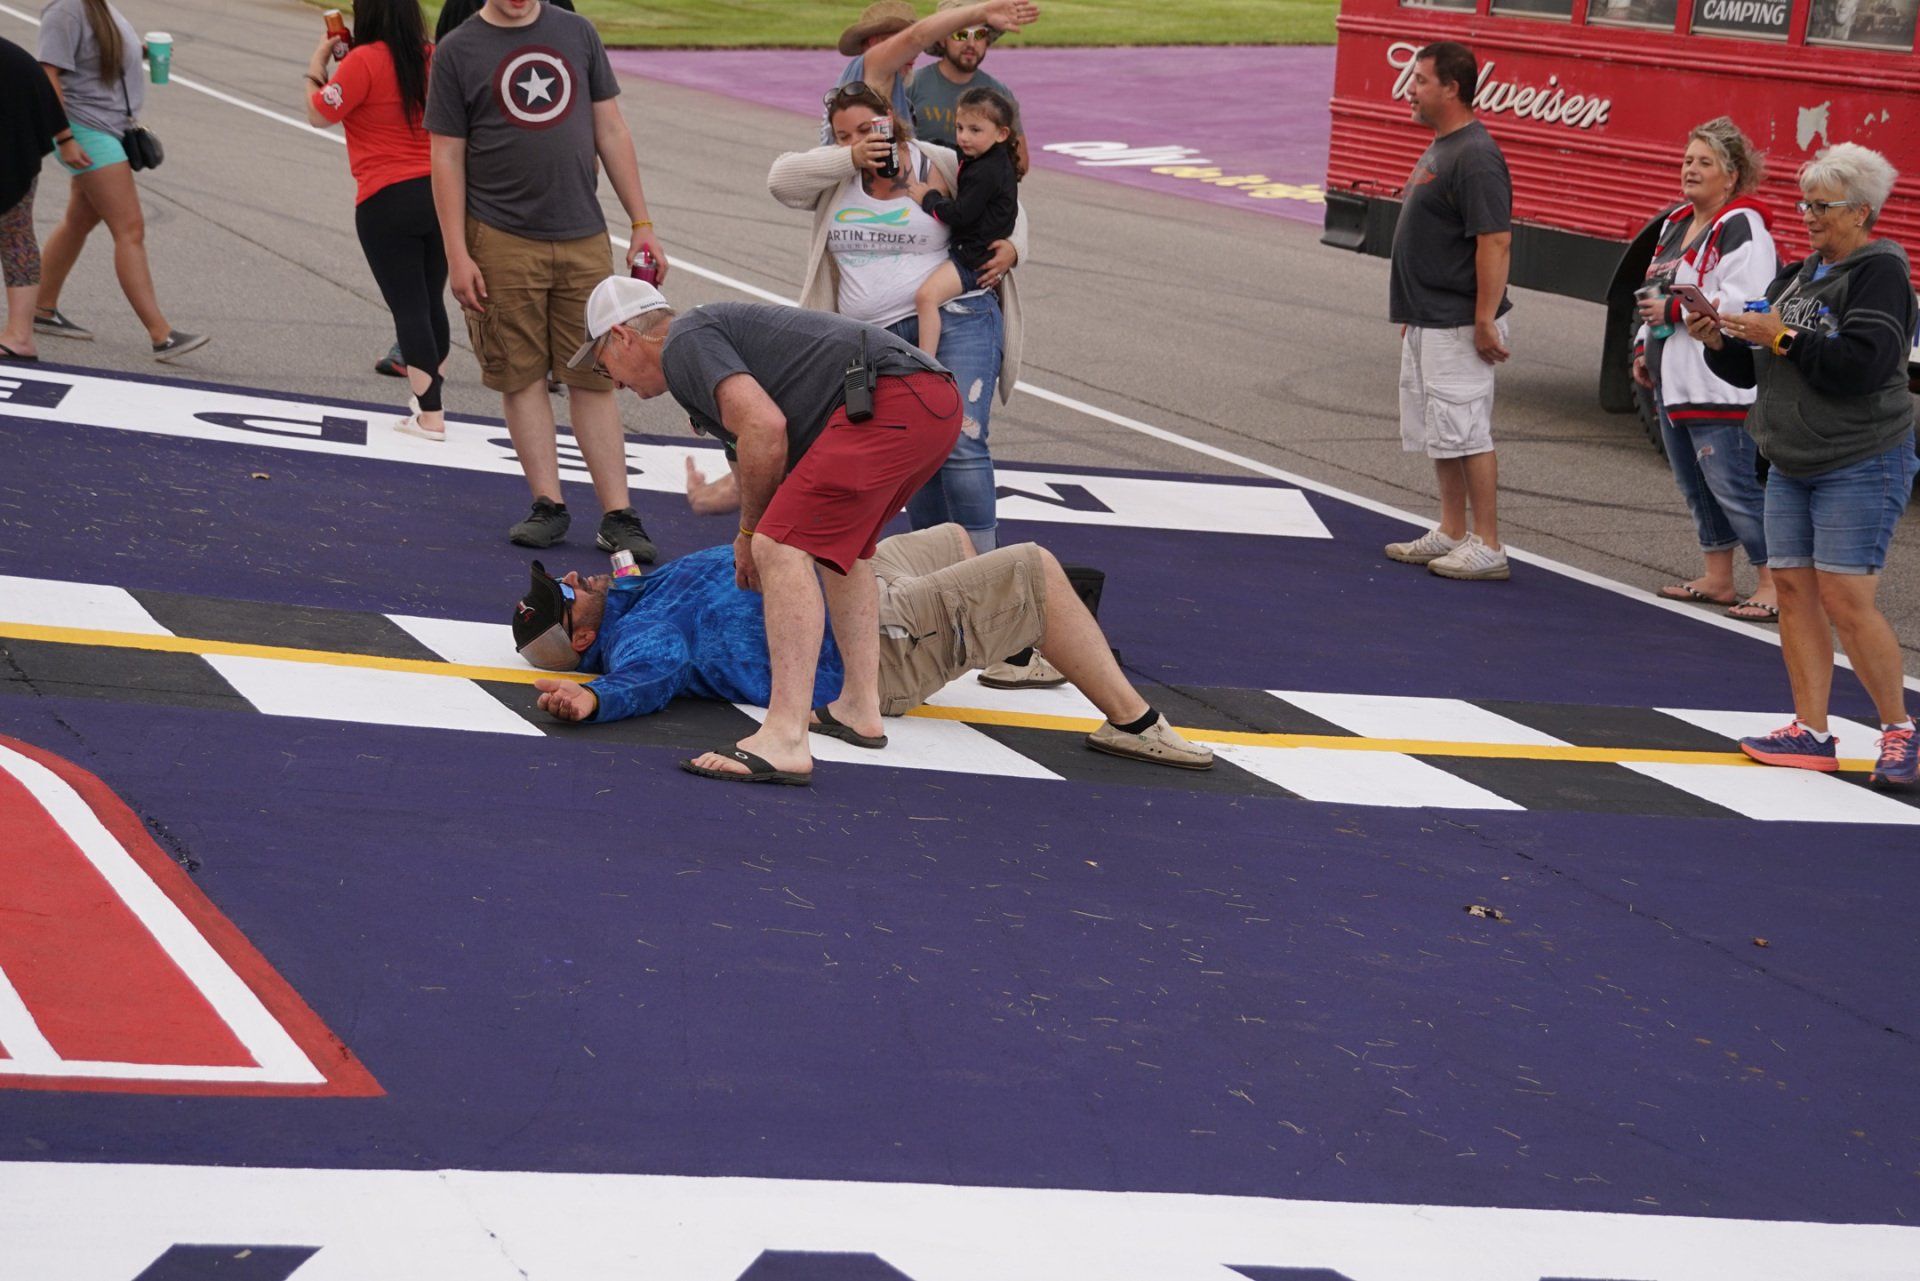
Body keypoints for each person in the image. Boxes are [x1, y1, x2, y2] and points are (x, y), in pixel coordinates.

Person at [573, 279, 966, 785]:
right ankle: (858, 707)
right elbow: (758, 451)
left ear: (623, 336)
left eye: (603, 363)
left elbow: (764, 429)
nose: (611, 380)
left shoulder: (685, 343)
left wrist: (750, 533)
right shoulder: (702, 349)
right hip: (924, 400)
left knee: (778, 544)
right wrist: (741, 515)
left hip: (893, 399)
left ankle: (784, 737)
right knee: (842, 551)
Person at [513, 522, 1213, 774]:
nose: (575, 576)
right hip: (872, 643)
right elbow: (651, 676)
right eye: (568, 594)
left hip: (849, 597)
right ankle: (1134, 724)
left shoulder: (638, 589)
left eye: (562, 577)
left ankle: (1015, 644)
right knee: (1030, 566)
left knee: (948, 539)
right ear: (582, 637)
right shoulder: (641, 632)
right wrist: (596, 695)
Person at [773, 84, 1053, 688]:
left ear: (893, 124)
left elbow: (1009, 201)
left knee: (962, 445)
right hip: (870, 341)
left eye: (870, 130)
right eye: (845, 134)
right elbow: (780, 181)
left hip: (958, 319)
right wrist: (848, 157)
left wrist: (1013, 248)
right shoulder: (831, 176)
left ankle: (1000, 609)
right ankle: (944, 602)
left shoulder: (938, 159)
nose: (861, 142)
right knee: (916, 463)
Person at [1692, 142, 1918, 787]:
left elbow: (1864, 366)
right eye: (1805, 202)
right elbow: (1754, 370)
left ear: (1862, 212)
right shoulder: (1794, 275)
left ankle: (1900, 732)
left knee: (1848, 599)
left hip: (1861, 457)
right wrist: (1718, 340)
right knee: (1793, 593)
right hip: (1790, 460)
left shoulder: (1881, 275)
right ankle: (1811, 731)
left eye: (1823, 206)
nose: (1808, 216)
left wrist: (1781, 336)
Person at [425, 0, 666, 557]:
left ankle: (618, 514)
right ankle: (547, 504)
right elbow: (446, 157)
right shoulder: (459, 50)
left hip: (583, 234)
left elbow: (610, 128)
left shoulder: (576, 32)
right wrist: (457, 253)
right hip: (500, 238)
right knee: (520, 373)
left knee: (596, 374)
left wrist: (642, 222)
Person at [1632, 117, 1780, 621]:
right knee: (1697, 488)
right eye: (1687, 160)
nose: (1690, 170)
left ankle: (1774, 585)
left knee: (1736, 486)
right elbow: (1655, 289)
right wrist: (1641, 347)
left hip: (1718, 383)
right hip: (1673, 380)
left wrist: (1674, 312)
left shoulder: (1744, 226)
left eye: (1704, 163)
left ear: (1732, 175)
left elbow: (1750, 299)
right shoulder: (1676, 223)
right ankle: (1718, 577)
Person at [1381, 40, 1513, 582]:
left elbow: (1494, 242)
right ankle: (1451, 529)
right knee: (1441, 430)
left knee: (1467, 430)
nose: (1409, 89)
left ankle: (1489, 543)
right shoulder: (1444, 145)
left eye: (1419, 80)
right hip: (1430, 317)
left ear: (1451, 87)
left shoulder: (1476, 155)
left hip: (1460, 322)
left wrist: (1484, 318)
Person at [303, 0, 450, 441]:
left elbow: (318, 112)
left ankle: (431, 413)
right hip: (440, 194)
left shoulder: (362, 61)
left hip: (386, 197)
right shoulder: (434, 57)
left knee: (407, 306)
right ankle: (430, 400)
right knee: (430, 300)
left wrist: (317, 63)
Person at [33, 0, 208, 362]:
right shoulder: (66, 8)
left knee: (78, 220)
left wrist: (139, 53)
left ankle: (41, 308)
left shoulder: (99, 6)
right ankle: (161, 334)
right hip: (86, 129)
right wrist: (65, 138)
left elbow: (91, 58)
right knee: (130, 229)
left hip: (106, 127)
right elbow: (48, 75)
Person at [905, 86, 1022, 360]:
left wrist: (929, 198)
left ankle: (926, 361)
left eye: (974, 130)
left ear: (1002, 133)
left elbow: (960, 215)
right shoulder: (986, 157)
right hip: (975, 250)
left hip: (972, 259)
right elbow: (955, 152)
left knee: (926, 297)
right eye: (959, 128)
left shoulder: (986, 172)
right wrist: (922, 143)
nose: (964, 137)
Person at [822, 0, 1038, 145]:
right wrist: (981, 12)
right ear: (873, 42)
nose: (913, 52)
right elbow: (916, 38)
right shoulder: (872, 66)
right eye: (899, 42)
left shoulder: (897, 88)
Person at [1, 35, 88, 362]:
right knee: (16, 237)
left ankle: (20, 336)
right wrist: (63, 138)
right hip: (17, 157)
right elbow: (44, 93)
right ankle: (20, 335)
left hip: (10, 153)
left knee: (15, 238)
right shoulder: (12, 54)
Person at [908, 0, 1018, 150]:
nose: (971, 44)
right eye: (961, 34)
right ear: (941, 39)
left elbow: (1019, 160)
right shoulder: (911, 85)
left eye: (979, 34)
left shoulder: (1000, 94)